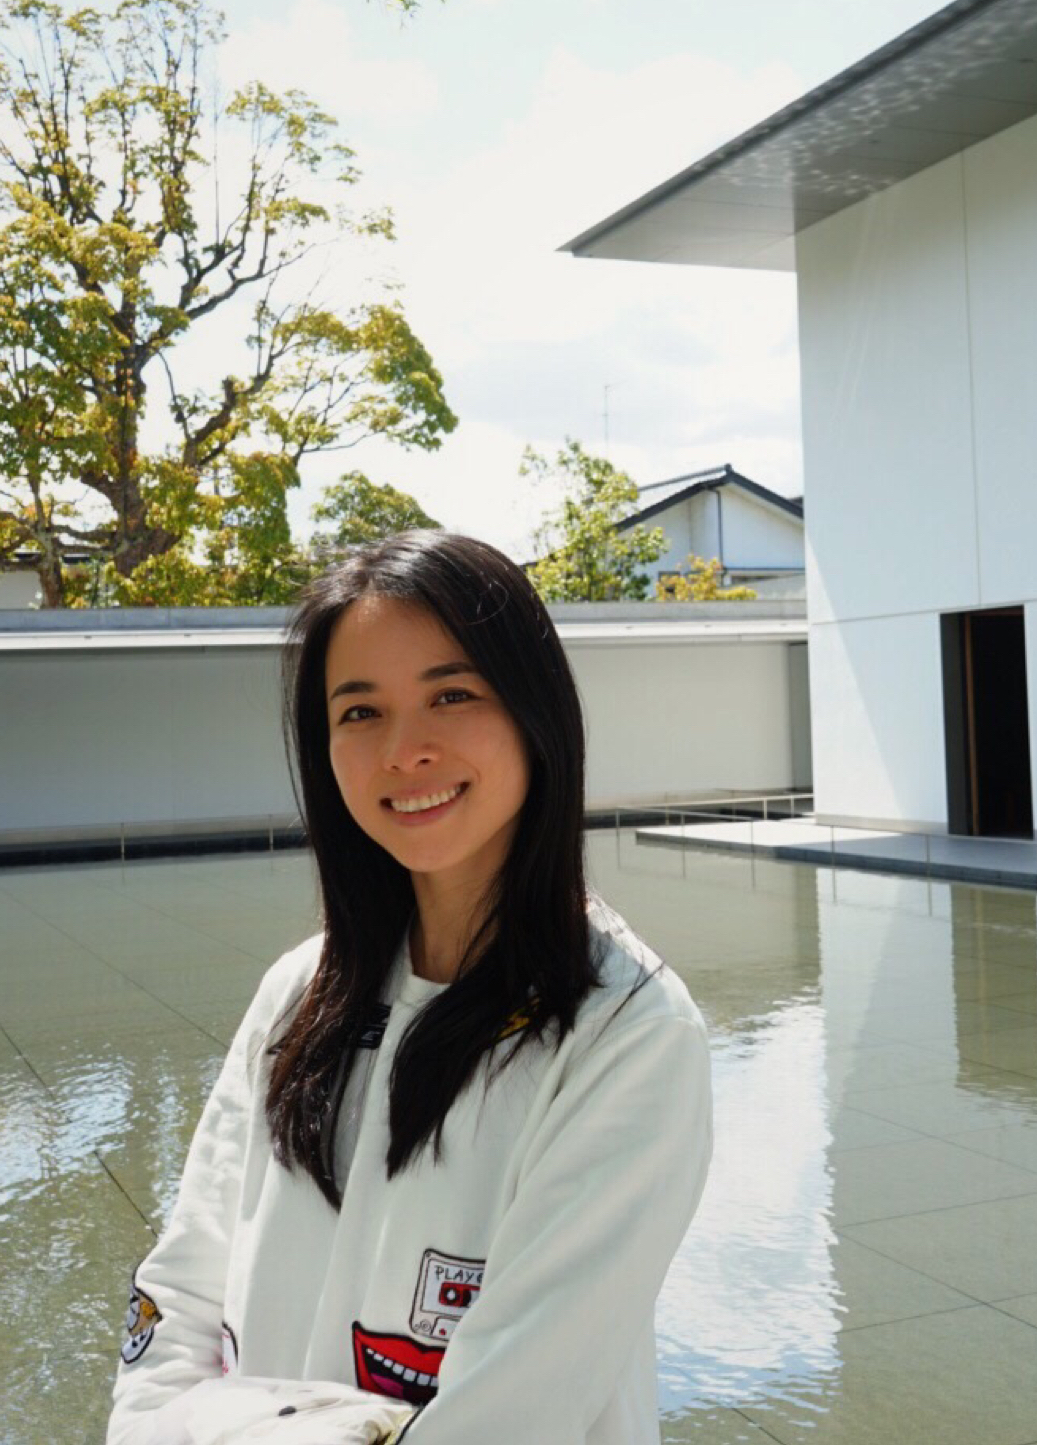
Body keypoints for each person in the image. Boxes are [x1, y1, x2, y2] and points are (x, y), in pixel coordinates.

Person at [107, 531, 714, 1445]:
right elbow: (180, 1297)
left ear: (533, 713)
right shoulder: (296, 997)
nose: (405, 750)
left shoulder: (626, 1036)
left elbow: (506, 1415)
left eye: (451, 694)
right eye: (359, 712)